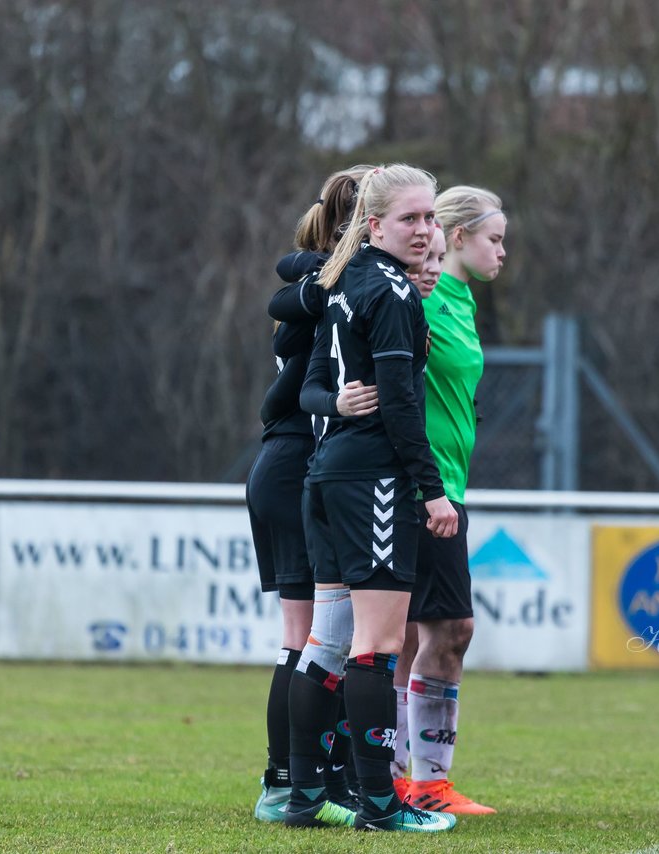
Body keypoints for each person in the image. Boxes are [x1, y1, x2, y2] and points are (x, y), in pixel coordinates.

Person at [287, 163, 459, 833]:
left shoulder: (345, 279)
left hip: (328, 475)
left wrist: (335, 403)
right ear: (376, 224)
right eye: (411, 219)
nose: (424, 230)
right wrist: (431, 490)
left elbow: (314, 386)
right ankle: (381, 805)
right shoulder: (391, 291)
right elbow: (402, 404)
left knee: (327, 644)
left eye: (430, 218)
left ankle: (303, 795)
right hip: (373, 481)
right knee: (379, 645)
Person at [247, 166, 373, 824]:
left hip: (296, 462)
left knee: (330, 637)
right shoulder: (329, 291)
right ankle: (289, 783)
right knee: (308, 637)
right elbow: (287, 389)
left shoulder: (323, 283)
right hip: (297, 463)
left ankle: (323, 781)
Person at [390, 187, 505, 816]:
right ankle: (414, 783)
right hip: (419, 490)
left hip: (444, 489)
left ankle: (410, 782)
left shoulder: (453, 300)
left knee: (415, 636)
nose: (503, 251)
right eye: (494, 237)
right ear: (457, 237)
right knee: (442, 631)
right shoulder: (424, 302)